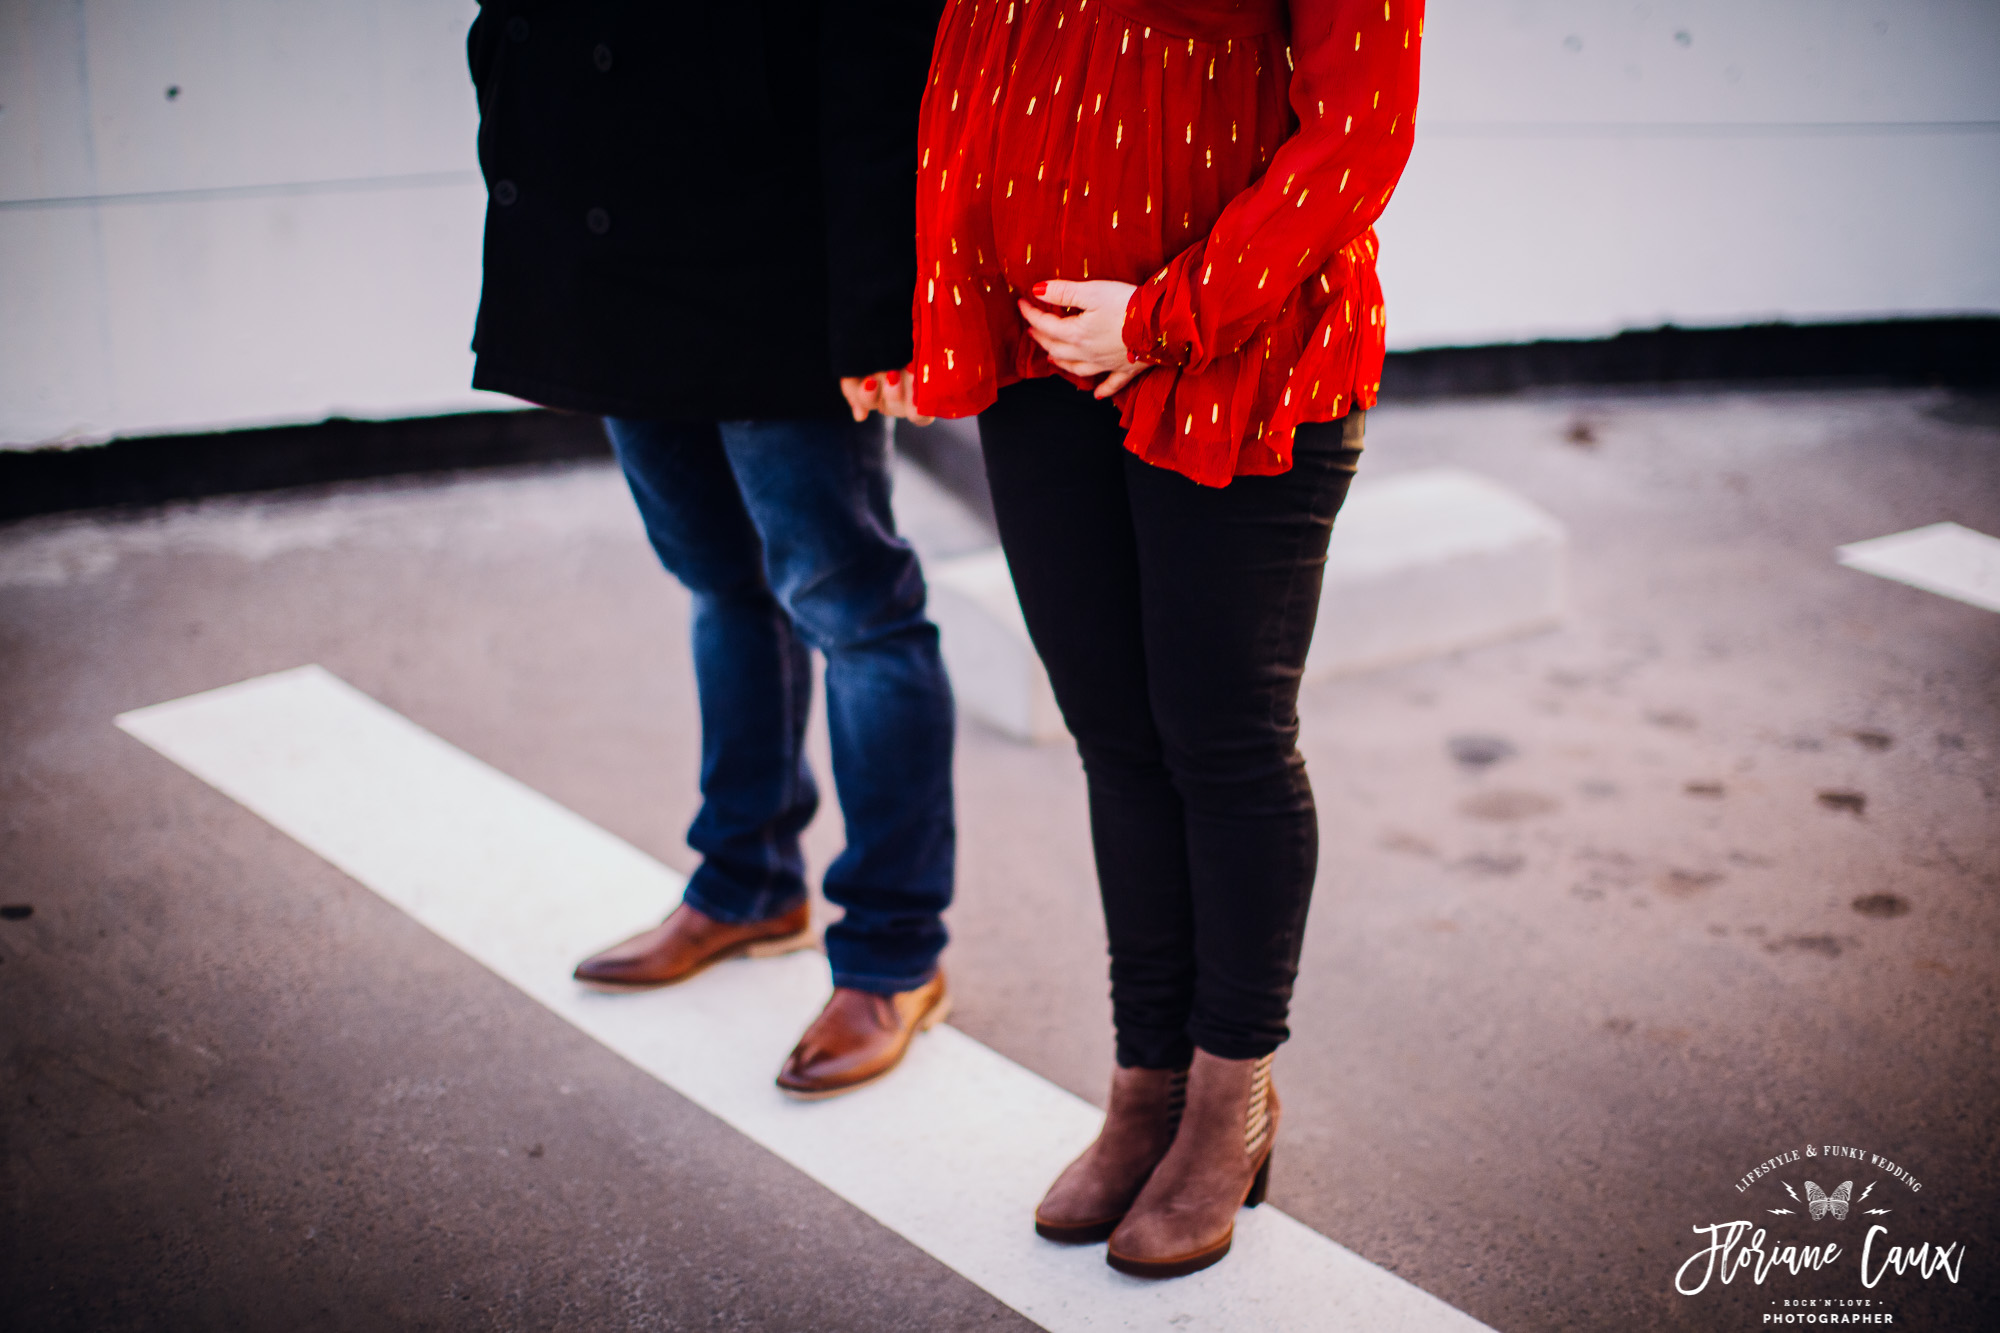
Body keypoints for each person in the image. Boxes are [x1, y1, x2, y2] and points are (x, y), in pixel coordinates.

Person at [911, 0, 1425, 1277]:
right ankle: (1143, 1083)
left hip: (1233, 351)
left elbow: (1358, 133)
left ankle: (1225, 1098)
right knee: (1115, 733)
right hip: (1041, 347)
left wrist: (1158, 318)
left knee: (1224, 738)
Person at [465, 1, 955, 1099]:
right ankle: (745, 881)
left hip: (772, 264)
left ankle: (890, 954)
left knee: (854, 609)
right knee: (718, 582)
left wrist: (884, 310)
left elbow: (877, 56)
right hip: (608, 261)